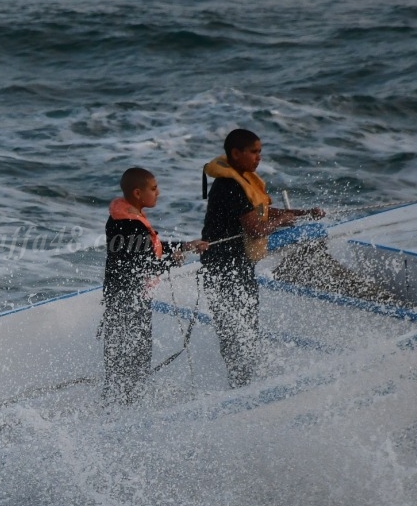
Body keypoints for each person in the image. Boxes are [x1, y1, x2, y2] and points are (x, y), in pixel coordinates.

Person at [200, 129, 324, 387]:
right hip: (223, 268)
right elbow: (255, 228)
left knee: (247, 325)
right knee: (235, 330)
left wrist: (303, 213)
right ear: (235, 154)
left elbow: (263, 211)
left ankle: (244, 381)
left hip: (239, 265)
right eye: (254, 152)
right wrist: (283, 220)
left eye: (260, 152)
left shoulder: (244, 180)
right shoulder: (229, 186)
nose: (259, 157)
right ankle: (239, 384)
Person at [103, 168, 207, 404]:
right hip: (128, 301)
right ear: (138, 193)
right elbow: (143, 265)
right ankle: (125, 407)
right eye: (153, 188)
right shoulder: (131, 225)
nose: (158, 193)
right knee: (133, 359)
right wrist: (173, 260)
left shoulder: (124, 220)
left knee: (124, 359)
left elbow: (149, 250)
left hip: (120, 298)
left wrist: (186, 245)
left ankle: (120, 404)